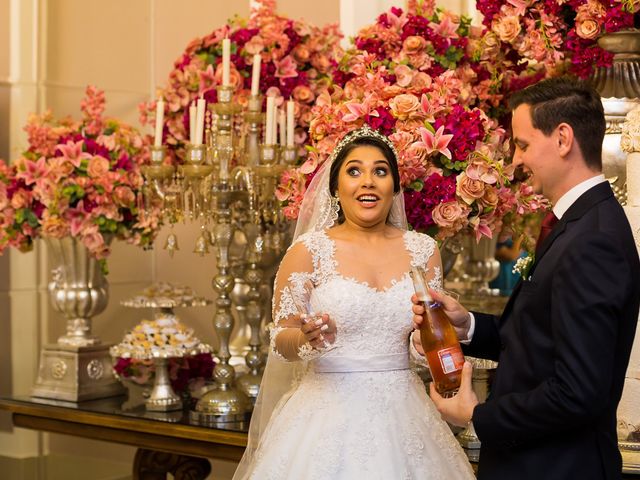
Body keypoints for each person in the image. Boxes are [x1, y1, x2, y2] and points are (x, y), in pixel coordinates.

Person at [412, 77, 640, 479]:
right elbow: (540, 342)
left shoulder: (593, 240)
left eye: (522, 144)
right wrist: (468, 326)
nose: (515, 161)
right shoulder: (578, 223)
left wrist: (477, 414)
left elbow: (577, 394)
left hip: (559, 467)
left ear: (563, 138)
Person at [233, 124, 475, 479]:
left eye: (380, 171)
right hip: (324, 414)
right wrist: (307, 339)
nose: (368, 181)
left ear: (394, 186)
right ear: (335, 187)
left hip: (405, 413)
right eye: (354, 171)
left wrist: (422, 345)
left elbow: (428, 334)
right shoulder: (308, 251)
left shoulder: (424, 250)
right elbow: (280, 339)